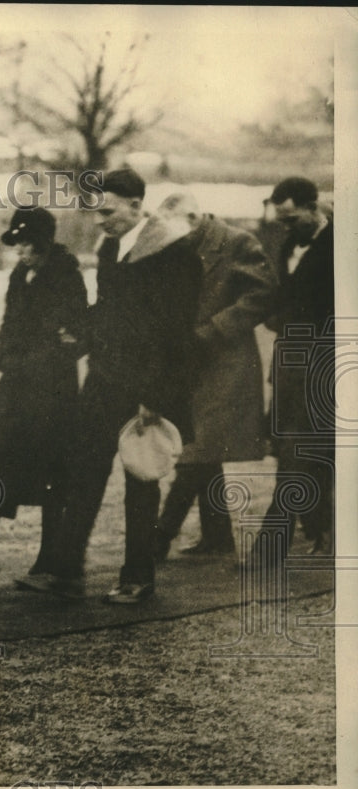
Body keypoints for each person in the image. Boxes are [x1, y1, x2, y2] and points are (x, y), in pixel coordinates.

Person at [16, 169, 202, 603]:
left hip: (147, 390)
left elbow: (177, 330)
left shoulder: (175, 253)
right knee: (84, 471)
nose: (100, 220)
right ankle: (65, 571)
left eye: (108, 210)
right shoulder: (113, 246)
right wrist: (80, 336)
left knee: (141, 479)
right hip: (105, 379)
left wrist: (156, 396)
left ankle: (138, 578)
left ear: (137, 205)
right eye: (96, 211)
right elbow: (111, 310)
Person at [0, 206, 87, 585]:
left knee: (51, 466)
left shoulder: (67, 276)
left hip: (53, 389)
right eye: (18, 243)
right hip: (15, 384)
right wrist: (2, 348)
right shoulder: (19, 274)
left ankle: (49, 560)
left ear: (44, 243)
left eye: (28, 243)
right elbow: (11, 323)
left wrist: (29, 355)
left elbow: (71, 336)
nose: (22, 250)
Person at [152, 192, 277, 560]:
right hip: (193, 362)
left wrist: (214, 329)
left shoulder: (238, 242)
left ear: (194, 217)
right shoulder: (182, 245)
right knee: (205, 448)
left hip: (227, 361)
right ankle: (217, 537)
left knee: (196, 450)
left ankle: (159, 538)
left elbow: (264, 293)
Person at [252, 177, 334, 562]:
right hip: (289, 365)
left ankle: (273, 544)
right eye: (281, 220)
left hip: (325, 367)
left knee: (296, 455)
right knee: (306, 454)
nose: (285, 226)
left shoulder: (341, 243)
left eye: (291, 217)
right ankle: (322, 531)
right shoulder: (288, 244)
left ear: (312, 206)